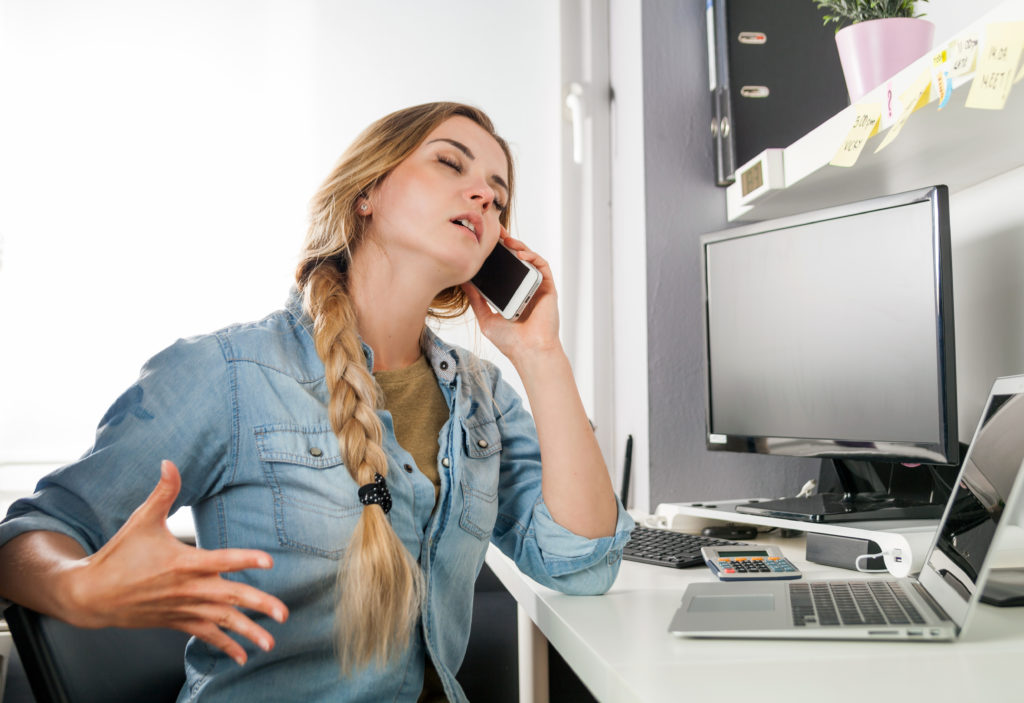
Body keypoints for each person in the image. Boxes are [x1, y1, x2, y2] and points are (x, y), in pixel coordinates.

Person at [0, 102, 634, 702]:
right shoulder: (228, 374)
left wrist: (540, 356)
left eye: (499, 194)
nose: (485, 196)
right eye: (450, 162)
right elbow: (27, 536)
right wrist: (80, 589)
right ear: (366, 193)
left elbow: (579, 566)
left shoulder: (482, 396)